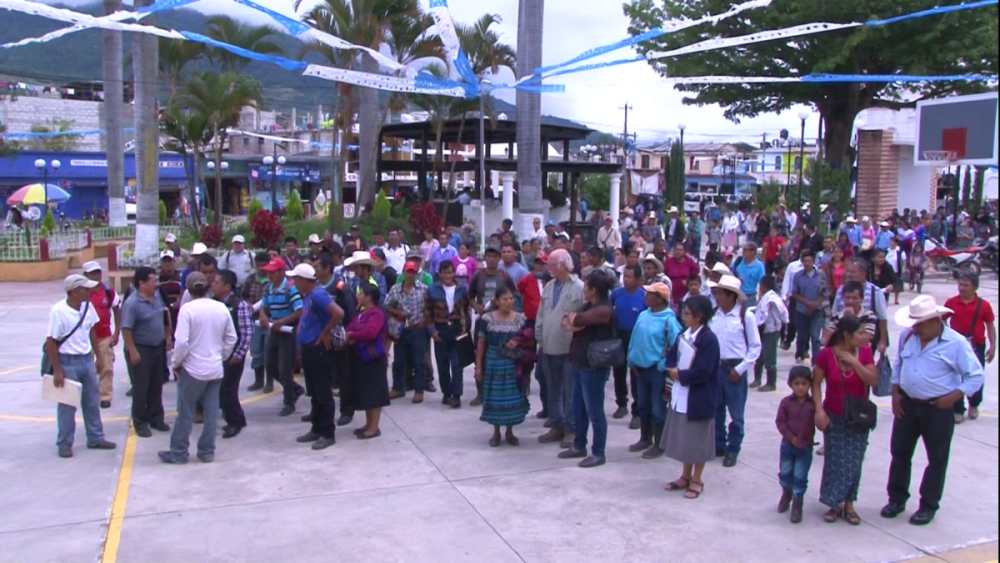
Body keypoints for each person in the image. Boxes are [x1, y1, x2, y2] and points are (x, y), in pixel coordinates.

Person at [882, 295, 985, 525]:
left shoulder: (956, 343)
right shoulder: (907, 336)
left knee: (936, 459)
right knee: (899, 453)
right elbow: (899, 364)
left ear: (937, 320)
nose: (916, 328)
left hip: (937, 408)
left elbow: (975, 375)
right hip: (908, 405)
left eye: (921, 324)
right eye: (914, 323)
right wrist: (896, 394)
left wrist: (953, 397)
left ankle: (928, 505)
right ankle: (896, 499)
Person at [158, 272, 238, 464]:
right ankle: (207, 451)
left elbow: (182, 343)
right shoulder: (220, 307)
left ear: (188, 288)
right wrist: (222, 356)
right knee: (211, 413)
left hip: (193, 369)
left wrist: (176, 363)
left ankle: (179, 452)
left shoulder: (187, 310)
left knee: (185, 412)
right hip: (215, 368)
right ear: (208, 287)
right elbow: (231, 338)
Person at [812, 315, 877, 525]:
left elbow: (872, 380)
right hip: (834, 415)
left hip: (858, 417)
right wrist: (819, 410)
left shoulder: (865, 353)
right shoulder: (826, 355)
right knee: (836, 460)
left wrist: (854, 362)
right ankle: (834, 502)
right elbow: (816, 383)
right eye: (859, 333)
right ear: (847, 335)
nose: (863, 337)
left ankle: (850, 503)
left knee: (855, 461)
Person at [46, 274, 117, 458]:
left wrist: (99, 357)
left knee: (91, 401)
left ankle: (95, 437)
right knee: (67, 405)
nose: (90, 291)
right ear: (74, 292)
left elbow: (92, 330)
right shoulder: (58, 311)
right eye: (85, 288)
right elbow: (51, 342)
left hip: (86, 359)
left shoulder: (87, 306)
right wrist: (58, 370)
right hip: (67, 362)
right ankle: (64, 443)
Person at [663, 295, 721, 499]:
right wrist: (670, 368)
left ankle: (697, 479)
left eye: (688, 314)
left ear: (700, 316)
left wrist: (681, 375)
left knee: (698, 439)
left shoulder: (709, 339)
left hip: (699, 396)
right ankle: (685, 475)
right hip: (682, 393)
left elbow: (704, 371)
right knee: (686, 437)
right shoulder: (683, 334)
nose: (684, 317)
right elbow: (672, 354)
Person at [557, 270, 615, 468]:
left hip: (594, 366)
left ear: (594, 290)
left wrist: (574, 319)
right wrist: (573, 319)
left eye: (587, 286)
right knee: (578, 407)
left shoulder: (603, 309)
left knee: (594, 410)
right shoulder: (589, 306)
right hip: (580, 362)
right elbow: (567, 321)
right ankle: (579, 445)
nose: (584, 289)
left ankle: (598, 452)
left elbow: (576, 320)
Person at [288, 263, 344, 450]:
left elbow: (338, 313)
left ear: (305, 280)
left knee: (323, 392)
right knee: (314, 391)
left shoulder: (318, 295)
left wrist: (325, 332)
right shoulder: (309, 296)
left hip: (318, 349)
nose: (294, 282)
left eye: (296, 279)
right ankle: (317, 428)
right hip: (309, 349)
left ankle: (327, 433)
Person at [708, 274, 761, 467]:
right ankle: (719, 443)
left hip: (735, 366)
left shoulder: (744, 316)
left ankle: (733, 448)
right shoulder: (714, 315)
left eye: (721, 293)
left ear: (731, 296)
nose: (717, 297)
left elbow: (755, 346)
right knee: (716, 409)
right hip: (716, 366)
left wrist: (740, 369)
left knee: (736, 413)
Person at [535, 249, 585, 448]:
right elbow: (541, 313)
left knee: (570, 391)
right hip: (548, 346)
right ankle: (556, 425)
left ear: (563, 265)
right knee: (553, 389)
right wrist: (539, 336)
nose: (549, 268)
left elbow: (583, 316)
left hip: (569, 348)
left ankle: (571, 429)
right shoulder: (548, 286)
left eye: (552, 264)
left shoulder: (579, 287)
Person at [626, 281, 682, 459]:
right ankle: (645, 438)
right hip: (639, 369)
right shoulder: (643, 314)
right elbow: (634, 338)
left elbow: (677, 347)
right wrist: (631, 358)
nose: (646, 296)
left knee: (658, 408)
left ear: (660, 299)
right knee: (643, 405)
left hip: (656, 370)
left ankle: (660, 443)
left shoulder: (669, 320)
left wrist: (664, 364)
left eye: (650, 294)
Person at [474, 286, 530, 446]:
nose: (509, 302)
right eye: (505, 299)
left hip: (513, 364)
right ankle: (496, 432)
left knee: (512, 396)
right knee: (495, 396)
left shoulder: (520, 319)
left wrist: (519, 344)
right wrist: (478, 366)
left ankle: (510, 431)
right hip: (493, 362)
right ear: (497, 301)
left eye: (511, 299)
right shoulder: (487, 319)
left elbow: (527, 341)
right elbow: (481, 343)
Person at [121, 266, 171, 438]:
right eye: (152, 280)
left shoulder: (157, 297)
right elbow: (126, 329)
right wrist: (132, 351)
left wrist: (168, 335)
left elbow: (164, 315)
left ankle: (156, 418)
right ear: (141, 283)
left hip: (157, 347)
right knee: (141, 387)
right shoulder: (132, 303)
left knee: (157, 384)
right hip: (141, 348)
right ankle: (140, 422)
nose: (156, 283)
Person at [944, 272, 995, 422]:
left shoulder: (984, 305)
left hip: (976, 345)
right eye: (960, 284)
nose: (962, 288)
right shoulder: (951, 302)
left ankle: (974, 404)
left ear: (974, 287)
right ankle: (958, 409)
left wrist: (993, 346)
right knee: (956, 377)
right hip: (955, 345)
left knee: (975, 375)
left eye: (966, 285)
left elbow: (990, 326)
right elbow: (941, 321)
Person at [259, 257, 306, 416]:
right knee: (270, 365)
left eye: (272, 272)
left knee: (285, 368)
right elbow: (263, 307)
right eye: (268, 272)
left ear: (281, 272)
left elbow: (300, 310)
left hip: (287, 331)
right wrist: (263, 316)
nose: (269, 275)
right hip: (274, 330)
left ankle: (289, 401)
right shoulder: (268, 288)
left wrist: (283, 321)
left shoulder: (290, 289)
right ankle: (294, 388)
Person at [345, 283, 390, 439]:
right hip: (362, 358)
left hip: (374, 359)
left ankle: (374, 427)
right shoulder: (362, 313)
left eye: (360, 293)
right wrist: (352, 333)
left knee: (375, 393)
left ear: (369, 297)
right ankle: (368, 423)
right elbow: (350, 327)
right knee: (366, 392)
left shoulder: (377, 314)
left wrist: (352, 335)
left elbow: (370, 333)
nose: (358, 296)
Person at [212, 270, 253, 439]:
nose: (213, 284)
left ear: (227, 286)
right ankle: (234, 419)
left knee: (228, 389)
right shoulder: (214, 302)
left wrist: (239, 354)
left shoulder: (239, 305)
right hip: (219, 354)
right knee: (222, 389)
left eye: (216, 282)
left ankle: (235, 421)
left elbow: (247, 332)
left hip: (234, 354)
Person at [775, 366, 816, 524]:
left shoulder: (813, 405)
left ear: (809, 385)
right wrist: (791, 438)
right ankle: (786, 493)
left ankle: (798, 504)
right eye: (797, 383)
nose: (800, 387)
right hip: (788, 445)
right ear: (790, 384)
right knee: (785, 473)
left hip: (805, 447)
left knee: (800, 475)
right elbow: (780, 422)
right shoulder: (786, 403)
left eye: (804, 383)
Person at [386, 260, 430, 403]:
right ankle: (398, 388)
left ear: (416, 274)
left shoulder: (423, 289)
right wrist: (397, 312)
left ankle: (419, 390)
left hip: (417, 329)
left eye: (413, 272)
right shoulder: (395, 289)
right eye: (408, 271)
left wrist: (426, 320)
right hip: (401, 329)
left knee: (419, 361)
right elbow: (386, 305)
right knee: (398, 360)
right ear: (403, 273)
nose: (410, 275)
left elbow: (430, 306)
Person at [428, 261, 470, 408]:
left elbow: (466, 309)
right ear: (440, 274)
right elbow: (427, 312)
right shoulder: (432, 289)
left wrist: (466, 329)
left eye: (450, 272)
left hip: (457, 328)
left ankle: (457, 395)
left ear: (454, 274)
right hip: (440, 329)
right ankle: (447, 393)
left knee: (457, 364)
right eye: (445, 272)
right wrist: (432, 331)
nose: (448, 275)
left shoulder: (462, 289)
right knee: (442, 365)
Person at [610, 265, 646, 426]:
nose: (626, 279)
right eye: (624, 276)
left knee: (636, 375)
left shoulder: (644, 296)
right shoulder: (616, 294)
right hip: (619, 336)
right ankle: (621, 404)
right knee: (619, 371)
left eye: (630, 277)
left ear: (638, 280)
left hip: (637, 338)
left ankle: (637, 412)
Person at [82, 261, 120, 409]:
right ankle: (89, 394)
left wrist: (116, 332)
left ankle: (105, 396)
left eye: (98, 272)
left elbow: (117, 309)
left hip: (104, 335)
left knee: (107, 366)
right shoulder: (81, 293)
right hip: (85, 338)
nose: (96, 275)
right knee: (87, 367)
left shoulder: (108, 292)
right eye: (92, 273)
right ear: (85, 275)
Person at [832, 258, 889, 357]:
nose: (849, 274)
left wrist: (883, 341)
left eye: (853, 272)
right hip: (843, 338)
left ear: (863, 273)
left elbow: (882, 318)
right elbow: (834, 313)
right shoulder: (841, 290)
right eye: (848, 271)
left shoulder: (875, 292)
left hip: (866, 338)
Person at [241, 251, 272, 392]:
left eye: (263, 265)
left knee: (268, 351)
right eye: (258, 265)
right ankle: (258, 380)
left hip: (270, 320)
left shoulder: (272, 280)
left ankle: (269, 381)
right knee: (256, 351)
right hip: (253, 320)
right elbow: (244, 296)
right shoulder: (250, 279)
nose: (261, 268)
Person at [790, 251, 827, 364]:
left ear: (813, 261)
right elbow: (795, 293)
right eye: (805, 261)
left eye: (809, 261)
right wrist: (807, 303)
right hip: (802, 310)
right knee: (802, 335)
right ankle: (800, 353)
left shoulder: (821, 275)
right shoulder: (798, 276)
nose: (807, 263)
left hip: (817, 310)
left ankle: (816, 360)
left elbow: (824, 292)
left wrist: (815, 304)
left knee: (815, 336)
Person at [753, 275, 789, 391]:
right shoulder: (765, 297)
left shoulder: (772, 298)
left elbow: (781, 312)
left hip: (771, 331)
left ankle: (771, 383)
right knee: (759, 355)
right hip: (763, 330)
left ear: (763, 286)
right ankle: (757, 379)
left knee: (770, 357)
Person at [664, 242, 699, 308]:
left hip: (685, 294)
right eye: (676, 249)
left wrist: (688, 281)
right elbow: (664, 275)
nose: (678, 252)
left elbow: (696, 273)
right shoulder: (668, 261)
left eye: (680, 250)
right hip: (671, 294)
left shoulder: (689, 261)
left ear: (684, 251)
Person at [733, 243, 765, 307]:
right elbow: (732, 273)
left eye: (745, 250)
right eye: (743, 249)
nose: (743, 252)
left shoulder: (759, 266)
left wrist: (761, 298)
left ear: (753, 252)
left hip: (750, 297)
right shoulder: (739, 261)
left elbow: (762, 283)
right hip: (737, 296)